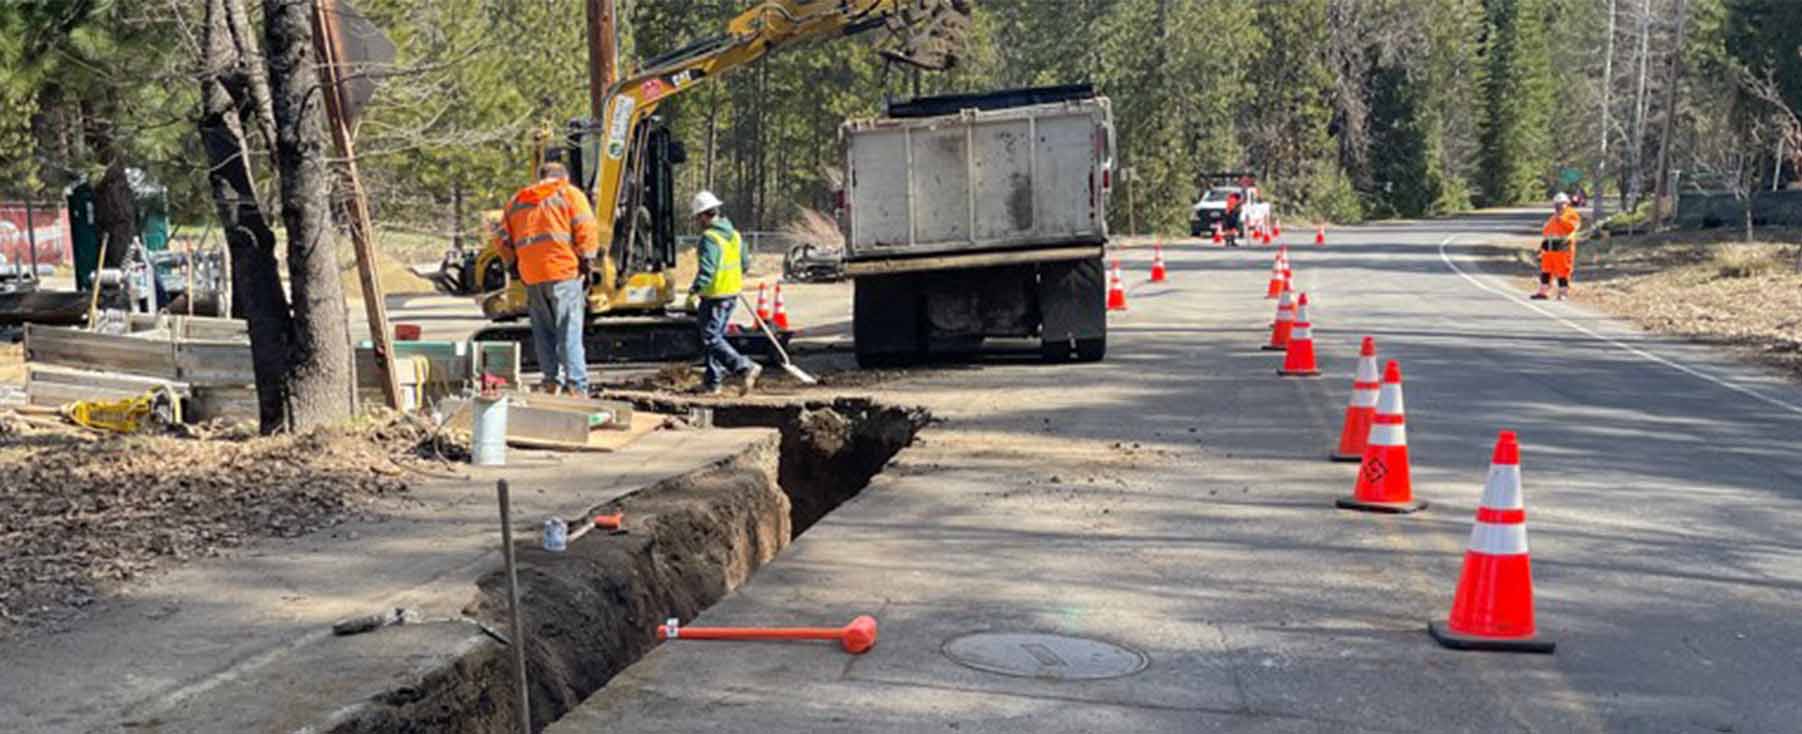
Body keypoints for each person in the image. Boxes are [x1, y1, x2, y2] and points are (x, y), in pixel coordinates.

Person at [497, 161, 600, 394]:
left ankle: (551, 381)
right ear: (562, 177)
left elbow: (501, 238)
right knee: (569, 331)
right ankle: (576, 386)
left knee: (543, 332)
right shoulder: (570, 194)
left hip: (532, 276)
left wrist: (513, 265)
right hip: (563, 272)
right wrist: (587, 261)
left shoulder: (517, 201)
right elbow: (586, 228)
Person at [687, 191, 761, 395]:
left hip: (715, 295)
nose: (697, 222)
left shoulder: (709, 238)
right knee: (714, 337)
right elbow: (744, 263)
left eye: (697, 218)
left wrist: (694, 290)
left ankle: (744, 366)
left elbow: (708, 269)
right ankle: (713, 382)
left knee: (711, 337)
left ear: (703, 215)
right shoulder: (735, 235)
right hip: (731, 293)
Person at [1534, 192, 1582, 301]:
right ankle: (1543, 292)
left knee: (1562, 271)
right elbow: (1546, 231)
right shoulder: (1554, 216)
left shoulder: (1571, 214)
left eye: (1560, 204)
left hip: (1563, 247)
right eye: (1556, 204)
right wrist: (1542, 248)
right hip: (1550, 247)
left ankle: (1563, 293)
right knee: (1546, 270)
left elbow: (1573, 227)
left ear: (1567, 203)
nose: (1558, 206)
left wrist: (1561, 219)